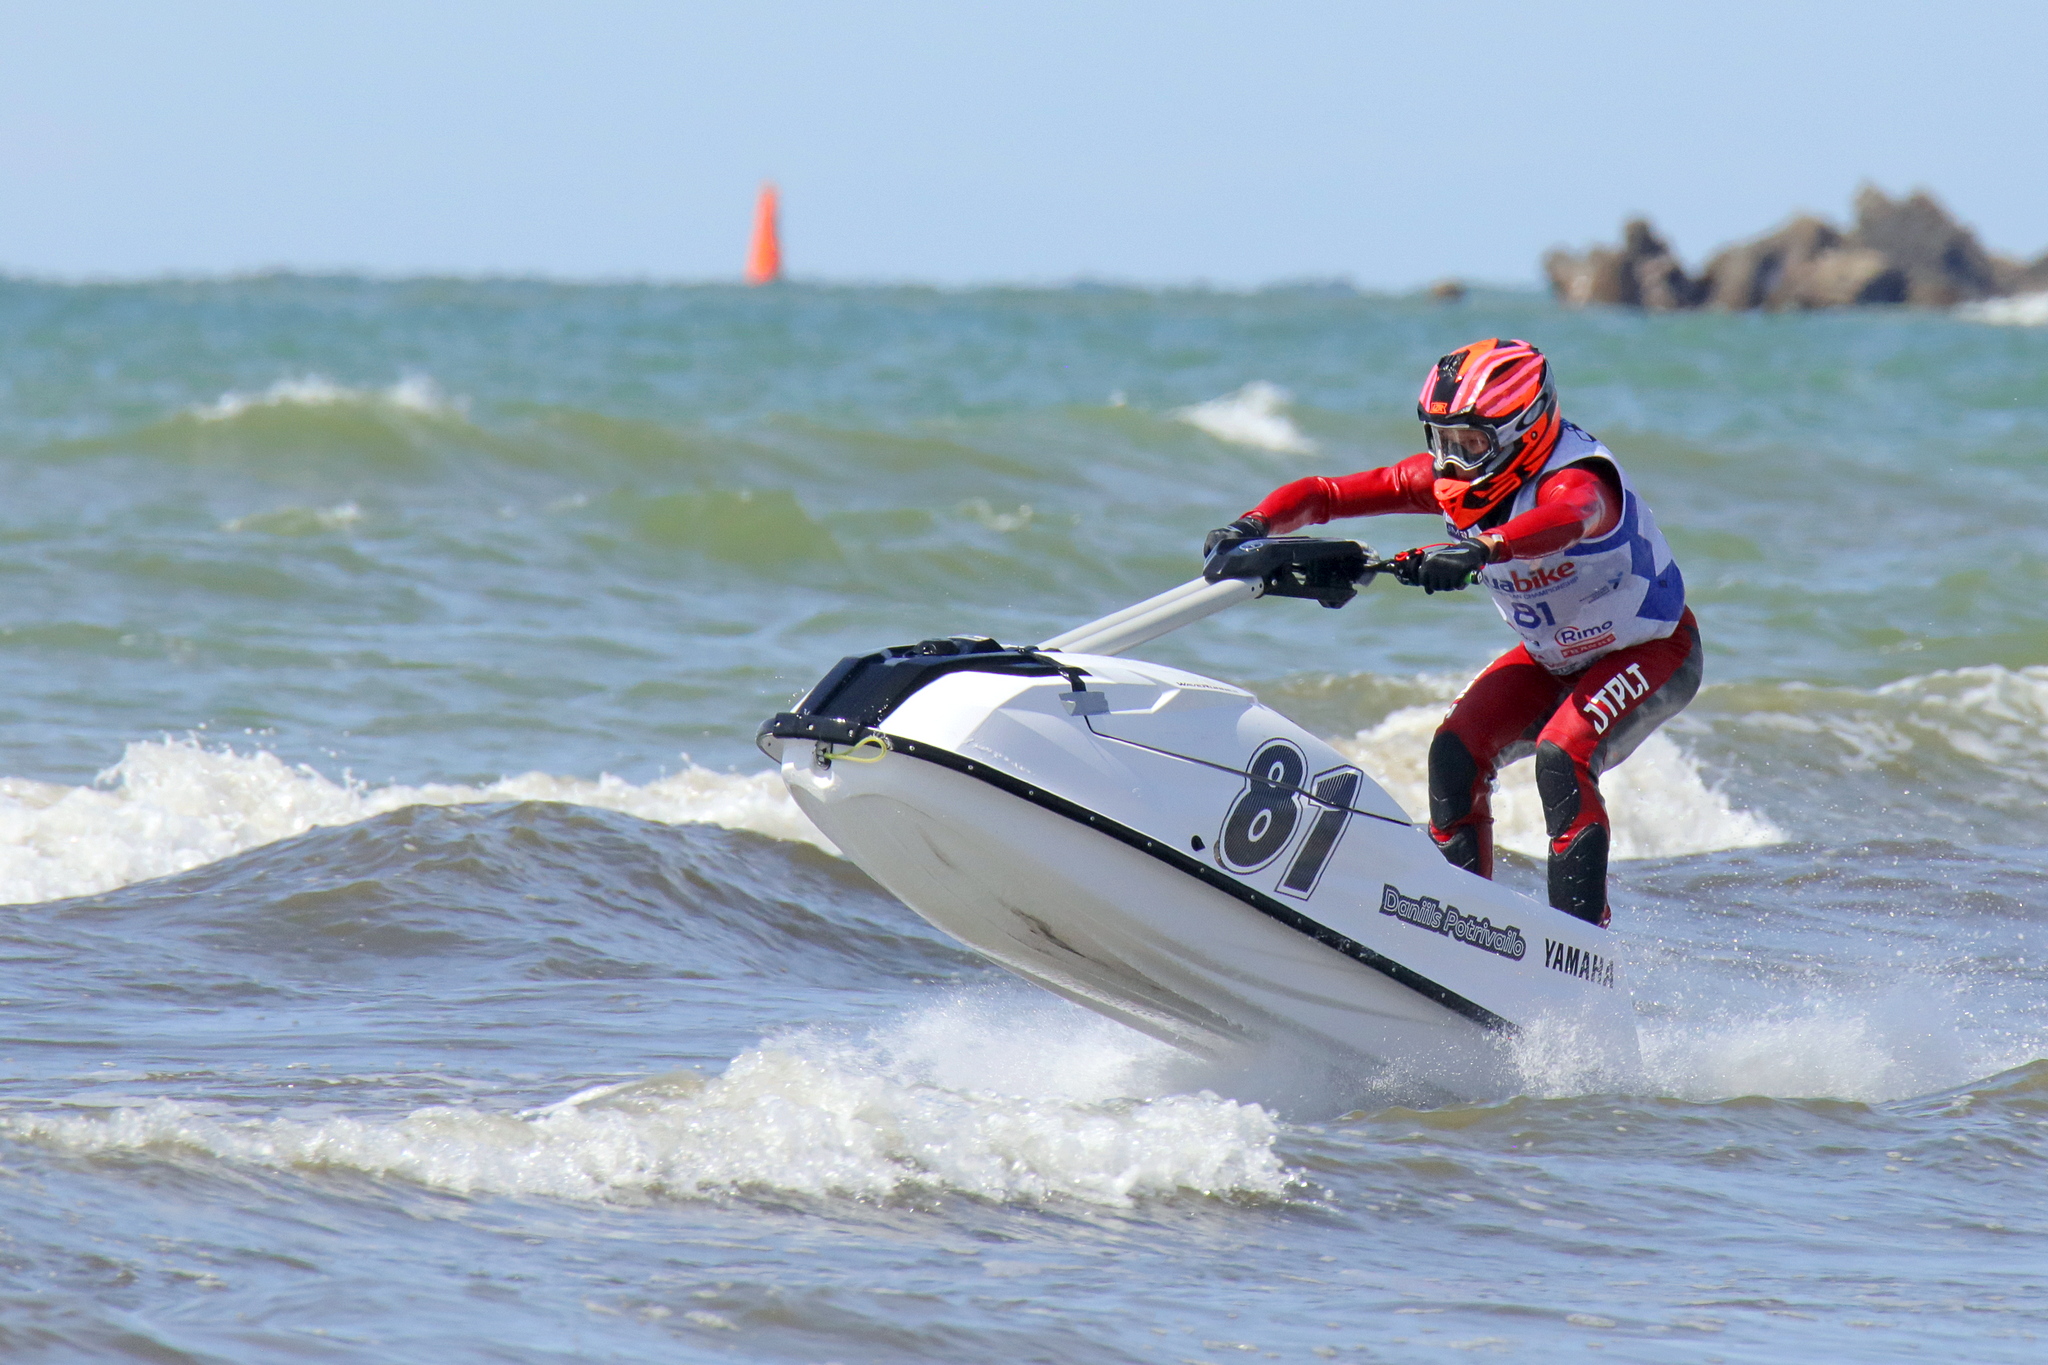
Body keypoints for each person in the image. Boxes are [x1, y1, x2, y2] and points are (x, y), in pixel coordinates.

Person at [1203, 339, 1699, 926]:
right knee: (1455, 753)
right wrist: (1252, 524)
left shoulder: (1579, 480)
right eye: (1441, 441)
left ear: (1525, 431)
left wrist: (1481, 548)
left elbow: (1567, 520)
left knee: (1562, 754)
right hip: (1554, 660)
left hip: (1652, 649)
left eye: (1470, 444)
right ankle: (1459, 928)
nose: (1451, 463)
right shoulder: (1454, 481)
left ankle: (1579, 945)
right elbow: (1325, 495)